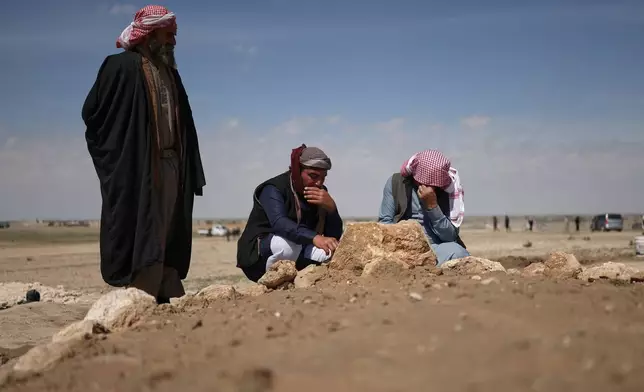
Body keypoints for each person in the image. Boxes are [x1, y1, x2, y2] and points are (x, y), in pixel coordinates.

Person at [82, 5, 206, 304]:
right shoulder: (120, 67)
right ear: (149, 34)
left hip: (173, 165)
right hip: (139, 168)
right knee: (145, 229)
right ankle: (142, 294)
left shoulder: (170, 73)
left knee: (169, 230)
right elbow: (95, 114)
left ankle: (165, 284)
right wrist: (124, 152)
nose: (173, 42)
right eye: (168, 35)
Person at [237, 145, 344, 282]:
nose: (319, 183)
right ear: (297, 170)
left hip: (301, 246)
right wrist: (314, 237)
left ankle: (299, 276)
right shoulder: (273, 189)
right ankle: (273, 280)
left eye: (323, 177)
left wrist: (332, 209)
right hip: (259, 255)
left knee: (331, 251)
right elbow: (280, 223)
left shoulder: (320, 192)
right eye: (313, 176)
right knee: (286, 246)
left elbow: (333, 236)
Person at [378, 149, 469, 265]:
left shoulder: (448, 191)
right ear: (414, 175)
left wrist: (433, 206)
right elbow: (385, 223)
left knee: (459, 253)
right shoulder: (396, 183)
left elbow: (450, 237)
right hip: (401, 247)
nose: (431, 187)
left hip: (436, 248)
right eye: (426, 182)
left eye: (435, 184)